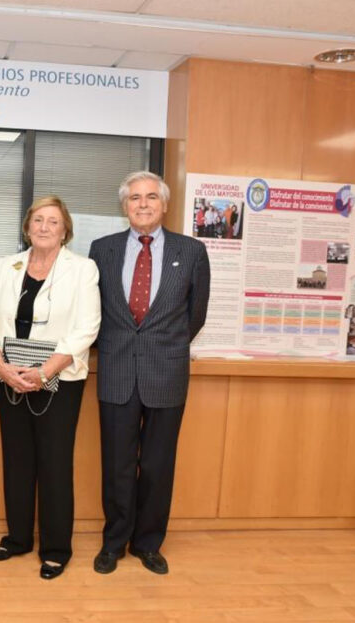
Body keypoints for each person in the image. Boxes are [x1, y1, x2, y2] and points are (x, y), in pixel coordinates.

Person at [88, 171, 210, 576]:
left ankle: (148, 542)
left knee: (158, 465)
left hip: (166, 372)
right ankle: (114, 542)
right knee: (118, 465)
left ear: (165, 204)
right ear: (124, 205)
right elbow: (94, 311)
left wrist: (166, 346)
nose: (143, 204)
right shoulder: (101, 250)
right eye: (135, 197)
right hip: (117, 369)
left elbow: (196, 316)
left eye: (151, 197)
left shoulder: (191, 251)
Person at [0, 196, 100, 580]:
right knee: (17, 459)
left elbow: (86, 327)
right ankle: (17, 539)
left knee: (55, 462)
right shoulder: (5, 267)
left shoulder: (83, 269)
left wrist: (45, 372)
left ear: (65, 230)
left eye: (53, 222)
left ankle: (57, 548)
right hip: (8, 374)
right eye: (38, 220)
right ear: (27, 227)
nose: (44, 227)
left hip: (58, 378)